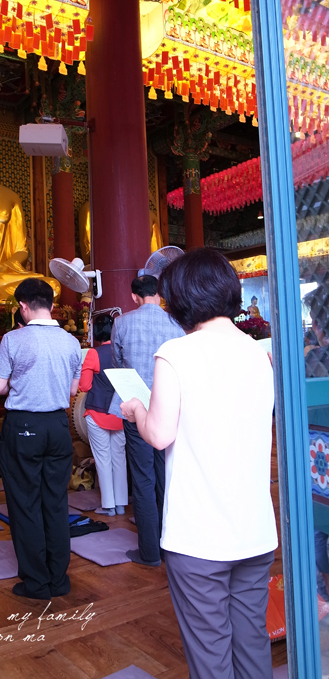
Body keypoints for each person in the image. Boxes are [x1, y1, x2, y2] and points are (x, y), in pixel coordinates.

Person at [121, 248, 277, 679]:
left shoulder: (176, 354)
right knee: (251, 645)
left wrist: (136, 408)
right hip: (255, 530)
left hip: (199, 535)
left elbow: (159, 434)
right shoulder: (261, 354)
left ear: (180, 301)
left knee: (211, 656)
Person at [0, 279, 81, 599]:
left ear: (23, 307)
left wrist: (20, 378)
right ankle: (59, 578)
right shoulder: (71, 342)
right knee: (55, 502)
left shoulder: (14, 340)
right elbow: (73, 391)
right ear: (52, 305)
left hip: (24, 425)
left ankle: (36, 582)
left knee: (25, 503)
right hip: (58, 426)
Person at [110, 275, 185, 566]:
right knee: (167, 476)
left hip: (136, 410)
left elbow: (118, 363)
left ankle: (149, 552)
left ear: (134, 297)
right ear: (159, 294)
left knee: (142, 480)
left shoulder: (122, 322)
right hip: (169, 410)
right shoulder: (176, 324)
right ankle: (171, 546)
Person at [79, 314, 127, 517]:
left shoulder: (94, 353)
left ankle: (108, 505)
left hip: (98, 411)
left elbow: (84, 385)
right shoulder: (123, 352)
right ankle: (122, 503)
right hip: (120, 414)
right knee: (119, 458)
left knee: (103, 459)